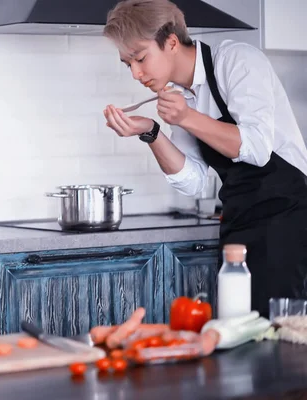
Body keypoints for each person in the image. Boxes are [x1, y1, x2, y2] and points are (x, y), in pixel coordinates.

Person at [100, 0, 307, 317]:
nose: (136, 73)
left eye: (140, 58)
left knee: (279, 333)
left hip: (288, 219)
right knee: (237, 327)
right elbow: (193, 180)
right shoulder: (180, 97)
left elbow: (256, 147)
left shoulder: (237, 60)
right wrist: (152, 132)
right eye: (127, 64)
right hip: (239, 223)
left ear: (171, 42)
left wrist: (187, 118)